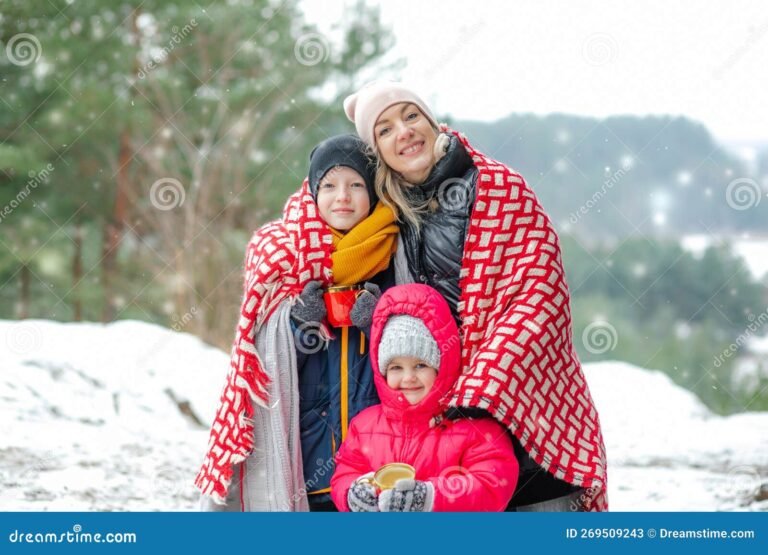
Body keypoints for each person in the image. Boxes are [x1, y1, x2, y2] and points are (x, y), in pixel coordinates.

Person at [342, 81, 609, 511]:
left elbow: (540, 296)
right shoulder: (386, 208)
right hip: (444, 425)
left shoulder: (499, 188)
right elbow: (325, 187)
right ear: (377, 150)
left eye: (411, 116)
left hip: (521, 408)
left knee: (538, 507)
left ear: (431, 121)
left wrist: (482, 385)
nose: (404, 132)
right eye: (385, 129)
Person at [195, 135, 400, 511]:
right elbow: (263, 362)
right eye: (329, 186)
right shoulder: (284, 253)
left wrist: (378, 325)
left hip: (374, 452)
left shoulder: (392, 254)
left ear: (372, 192)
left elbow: (412, 361)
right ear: (312, 192)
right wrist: (300, 325)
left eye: (356, 185)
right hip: (305, 452)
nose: (343, 197)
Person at [331, 284, 518, 512]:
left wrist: (430, 497)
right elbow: (346, 471)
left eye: (420, 365)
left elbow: (493, 485)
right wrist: (352, 494)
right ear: (382, 372)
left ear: (442, 365)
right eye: (396, 367)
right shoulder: (364, 426)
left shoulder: (474, 428)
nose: (408, 378)